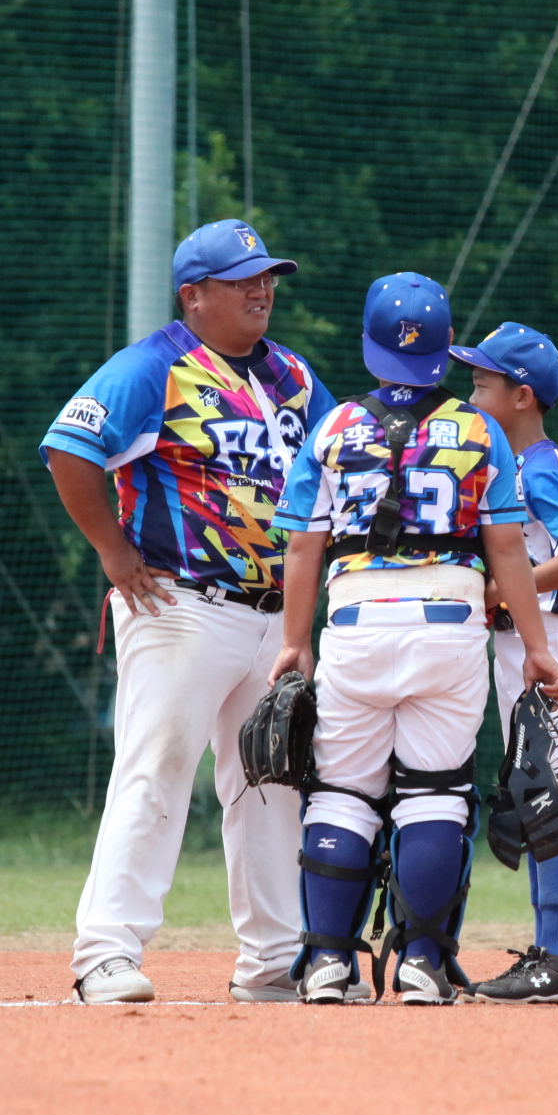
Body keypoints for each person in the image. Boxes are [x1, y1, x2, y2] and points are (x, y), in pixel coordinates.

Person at [41, 218, 332, 1004]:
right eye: (242, 281)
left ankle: (272, 963)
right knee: (156, 770)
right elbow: (69, 448)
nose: (262, 290)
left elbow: (337, 469)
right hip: (181, 605)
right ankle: (106, 953)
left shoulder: (294, 377)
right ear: (193, 295)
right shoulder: (154, 367)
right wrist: (112, 551)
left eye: (266, 277)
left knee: (272, 783)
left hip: (275, 618)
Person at [268, 273, 558, 1004]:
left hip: (356, 622)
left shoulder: (334, 426)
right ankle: (422, 963)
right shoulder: (479, 430)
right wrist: (537, 646)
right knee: (436, 794)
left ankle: (328, 962)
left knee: (342, 793)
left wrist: (294, 641)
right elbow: (506, 550)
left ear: (370, 346)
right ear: (445, 347)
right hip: (449, 624)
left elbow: (303, 546)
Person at [452, 322, 558, 1003]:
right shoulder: (509, 466)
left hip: (554, 642)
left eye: (482, 383)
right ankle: (551, 953)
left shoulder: (538, 465)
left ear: (521, 396)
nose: (471, 395)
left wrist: (504, 589)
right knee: (535, 793)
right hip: (526, 643)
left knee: (552, 795)